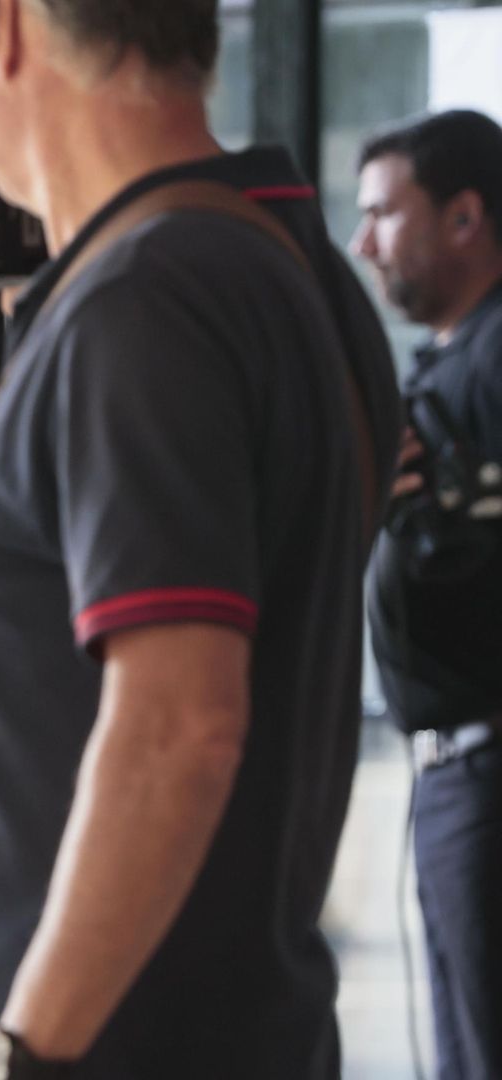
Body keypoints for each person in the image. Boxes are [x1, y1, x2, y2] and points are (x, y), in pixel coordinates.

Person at [0, 1, 402, 1077]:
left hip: (99, 1048)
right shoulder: (274, 262)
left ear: (8, 25)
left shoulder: (150, 298)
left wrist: (20, 1056)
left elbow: (179, 729)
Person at [353, 109, 502, 1080]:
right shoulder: (454, 360)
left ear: (462, 217)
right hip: (454, 774)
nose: (362, 243)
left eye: (381, 216)